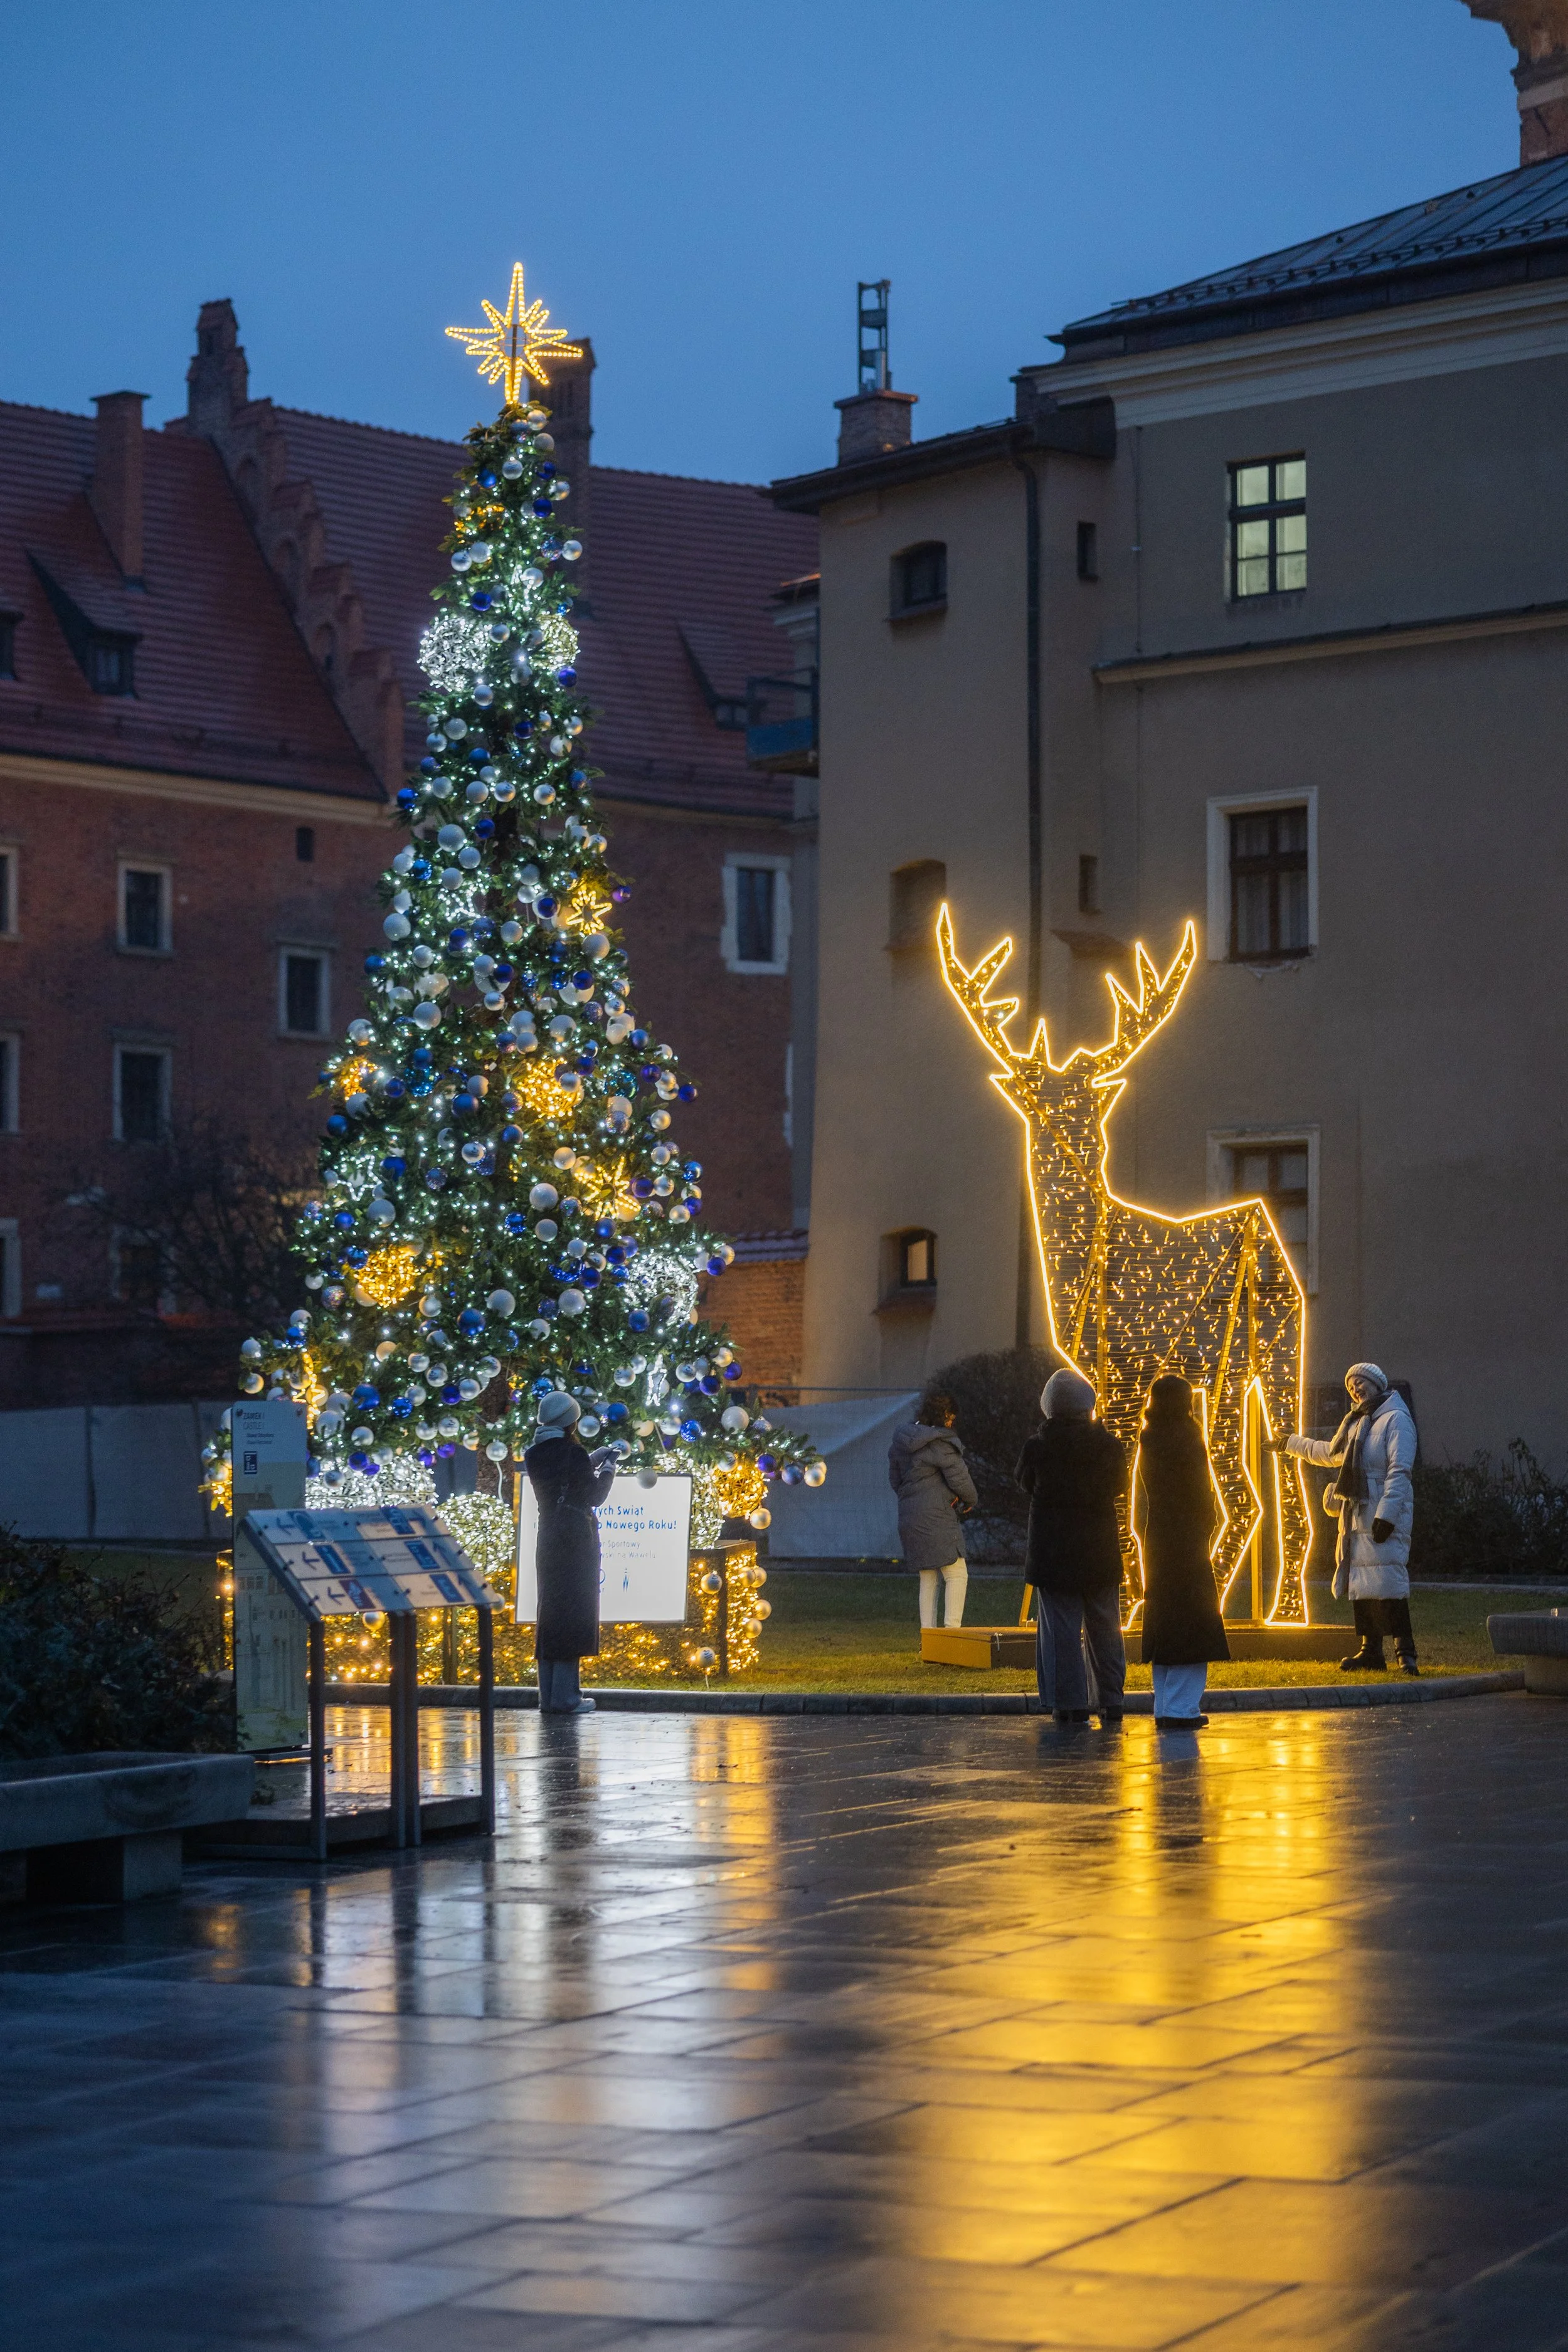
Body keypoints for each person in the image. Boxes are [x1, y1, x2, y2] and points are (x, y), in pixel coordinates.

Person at [1274, 1362, 1419, 1673]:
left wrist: (1387, 1515)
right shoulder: (1355, 1422)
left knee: (1389, 1579)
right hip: (1357, 1511)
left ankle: (1405, 1652)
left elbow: (1400, 1471)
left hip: (1382, 1510)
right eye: (1351, 1385)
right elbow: (1330, 1453)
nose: (1355, 1389)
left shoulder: (1396, 1419)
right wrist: (1290, 1444)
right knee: (1362, 1580)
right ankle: (1370, 1651)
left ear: (1377, 1384)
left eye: (1360, 1383)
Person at [1015, 1367, 1128, 1724]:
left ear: (1049, 1408)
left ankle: (1070, 1702)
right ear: (1088, 1405)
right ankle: (1111, 1699)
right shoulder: (1108, 1446)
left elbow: (1024, 1483)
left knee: (1060, 1630)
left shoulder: (1037, 1447)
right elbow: (1119, 1487)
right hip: (1099, 1549)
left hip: (1054, 1553)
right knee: (1106, 1626)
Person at [1135, 1374, 1230, 1729]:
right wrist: (1208, 1522)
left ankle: (1164, 1704)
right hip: (1188, 1539)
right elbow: (1200, 1489)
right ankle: (1182, 1707)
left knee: (1164, 1616)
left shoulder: (1149, 1437)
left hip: (1158, 1536)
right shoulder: (1190, 1437)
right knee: (1193, 1621)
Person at [524, 1391, 618, 1714]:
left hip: (548, 1537)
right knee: (574, 1611)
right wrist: (608, 1468)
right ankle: (567, 1697)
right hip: (576, 1540)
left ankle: (548, 1696)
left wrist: (591, 1458)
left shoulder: (534, 1454)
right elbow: (593, 1495)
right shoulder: (572, 1453)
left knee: (550, 1611)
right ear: (570, 1421)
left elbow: (563, 1475)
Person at [887, 1391, 977, 1629]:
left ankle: (928, 1638)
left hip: (910, 1516)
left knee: (928, 1578)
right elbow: (961, 1481)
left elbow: (895, 1481)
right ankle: (950, 1635)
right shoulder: (942, 1445)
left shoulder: (902, 1441)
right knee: (956, 1573)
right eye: (951, 1417)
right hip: (937, 1517)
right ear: (946, 1416)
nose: (952, 1423)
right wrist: (970, 1501)